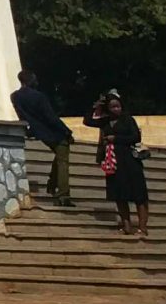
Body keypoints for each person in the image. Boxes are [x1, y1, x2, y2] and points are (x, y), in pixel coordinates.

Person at [85, 91, 150, 237]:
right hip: (113, 162)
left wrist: (116, 138)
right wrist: (96, 107)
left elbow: (135, 137)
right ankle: (126, 225)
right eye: (112, 107)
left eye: (118, 106)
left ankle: (142, 227)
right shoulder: (105, 121)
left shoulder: (128, 120)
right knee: (119, 195)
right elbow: (88, 121)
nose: (116, 109)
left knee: (139, 194)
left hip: (130, 160)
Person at [9, 70, 76, 207]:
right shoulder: (39, 97)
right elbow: (50, 117)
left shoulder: (15, 96)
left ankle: (52, 184)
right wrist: (66, 131)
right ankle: (63, 194)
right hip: (52, 131)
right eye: (35, 79)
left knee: (60, 156)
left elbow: (21, 114)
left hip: (35, 130)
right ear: (30, 80)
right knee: (63, 160)